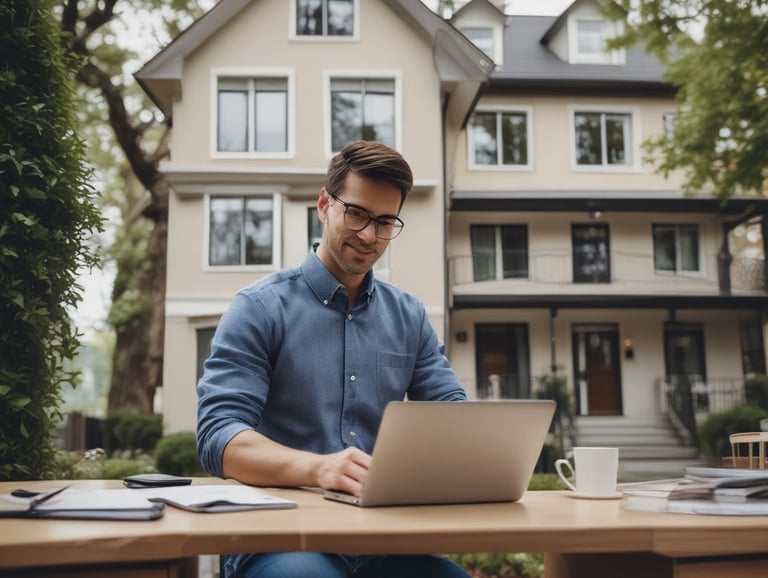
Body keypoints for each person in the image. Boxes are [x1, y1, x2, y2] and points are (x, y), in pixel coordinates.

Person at [197, 140, 469, 578]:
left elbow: (455, 419)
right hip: (280, 539)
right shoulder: (259, 308)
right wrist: (319, 468)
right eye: (357, 213)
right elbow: (218, 438)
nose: (368, 235)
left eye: (384, 222)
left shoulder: (410, 316)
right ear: (324, 204)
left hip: (384, 543)